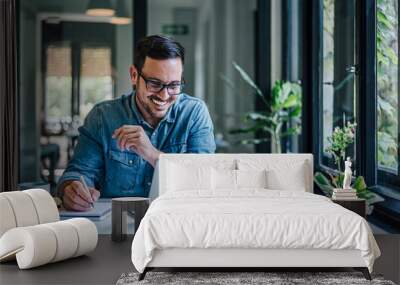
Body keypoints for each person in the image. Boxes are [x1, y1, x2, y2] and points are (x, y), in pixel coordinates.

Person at [57, 35, 216, 211]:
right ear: (134, 75)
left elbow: (204, 179)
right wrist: (71, 190)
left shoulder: (194, 113)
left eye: (174, 85)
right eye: (154, 84)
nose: (164, 96)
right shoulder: (103, 117)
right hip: (117, 225)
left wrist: (152, 154)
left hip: (177, 221)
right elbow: (79, 172)